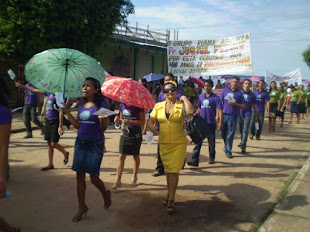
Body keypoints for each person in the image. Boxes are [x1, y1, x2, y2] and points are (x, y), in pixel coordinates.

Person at [62, 77, 111, 222]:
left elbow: (103, 129)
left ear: (96, 90)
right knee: (79, 176)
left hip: (95, 144)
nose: (84, 88)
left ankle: (105, 194)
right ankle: (81, 207)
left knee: (94, 177)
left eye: (88, 86)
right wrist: (67, 111)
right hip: (81, 142)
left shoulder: (102, 104)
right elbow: (77, 125)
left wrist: (103, 119)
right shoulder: (81, 104)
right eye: (83, 86)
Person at [148, 80, 194, 214]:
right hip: (164, 143)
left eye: (173, 90)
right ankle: (169, 194)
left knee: (174, 171)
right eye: (167, 91)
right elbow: (150, 121)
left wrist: (184, 98)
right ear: (163, 93)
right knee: (168, 171)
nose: (170, 93)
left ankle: (171, 199)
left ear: (176, 91)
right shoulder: (158, 106)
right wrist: (152, 129)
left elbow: (190, 112)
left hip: (178, 143)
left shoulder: (181, 105)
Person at [15, 82, 69, 170]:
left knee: (53, 143)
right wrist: (23, 86)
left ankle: (65, 153)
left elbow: (60, 111)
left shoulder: (60, 95)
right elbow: (35, 90)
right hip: (48, 120)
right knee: (49, 143)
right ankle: (50, 164)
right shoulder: (48, 93)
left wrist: (60, 126)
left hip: (55, 121)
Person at [153, 73, 183, 177]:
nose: (167, 82)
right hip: (163, 122)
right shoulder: (162, 93)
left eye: (169, 80)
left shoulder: (178, 93)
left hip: (175, 123)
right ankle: (159, 167)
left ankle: (179, 161)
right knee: (161, 146)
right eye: (166, 80)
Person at [187, 79, 223, 166]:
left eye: (209, 86)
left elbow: (219, 109)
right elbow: (199, 108)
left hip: (211, 123)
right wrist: (194, 116)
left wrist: (220, 121)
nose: (207, 88)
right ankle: (195, 160)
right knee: (198, 141)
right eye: (205, 86)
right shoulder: (201, 97)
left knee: (211, 142)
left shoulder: (216, 98)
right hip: (201, 123)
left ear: (212, 87)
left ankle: (211, 157)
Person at [111, 103, 145, 189]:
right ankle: (118, 180)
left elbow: (142, 121)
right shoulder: (122, 105)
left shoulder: (138, 105)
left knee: (135, 156)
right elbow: (121, 119)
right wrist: (118, 120)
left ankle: (134, 177)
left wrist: (131, 122)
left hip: (135, 133)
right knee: (121, 156)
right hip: (125, 133)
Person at [219, 76, 246, 158]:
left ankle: (228, 151)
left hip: (233, 116)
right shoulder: (224, 91)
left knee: (230, 134)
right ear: (230, 82)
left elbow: (244, 106)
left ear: (238, 84)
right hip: (223, 115)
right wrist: (217, 114)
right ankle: (226, 144)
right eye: (233, 81)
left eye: (236, 82)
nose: (234, 83)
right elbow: (219, 102)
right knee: (222, 133)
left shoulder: (240, 94)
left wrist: (235, 104)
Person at [238, 79, 257, 153]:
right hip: (239, 113)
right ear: (243, 85)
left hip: (248, 114)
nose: (247, 85)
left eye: (249, 84)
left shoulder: (252, 95)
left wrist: (256, 116)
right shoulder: (239, 93)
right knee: (241, 130)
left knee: (245, 130)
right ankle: (242, 141)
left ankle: (243, 145)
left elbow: (254, 106)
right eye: (246, 83)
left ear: (250, 85)